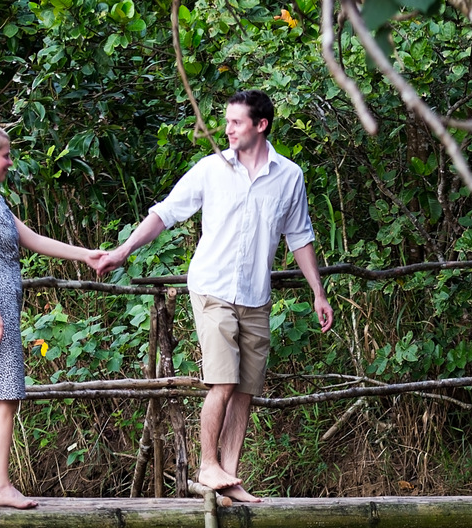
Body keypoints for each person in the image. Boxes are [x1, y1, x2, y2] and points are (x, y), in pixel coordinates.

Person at [93, 91, 334, 503]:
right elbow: (164, 213)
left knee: (245, 390)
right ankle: (208, 466)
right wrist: (122, 251)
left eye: (236, 122)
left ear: (261, 125)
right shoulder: (211, 169)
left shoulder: (289, 176)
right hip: (212, 288)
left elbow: (300, 236)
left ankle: (229, 479)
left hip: (256, 295)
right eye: (226, 122)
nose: (227, 129)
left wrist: (318, 292)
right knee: (222, 381)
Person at [0, 122, 103, 509]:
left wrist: (85, 255)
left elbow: (35, 240)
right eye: (5, 155)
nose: (10, 161)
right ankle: (1, 488)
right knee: (4, 398)